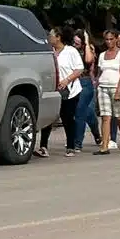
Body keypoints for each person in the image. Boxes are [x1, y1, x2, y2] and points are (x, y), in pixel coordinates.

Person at [45, 29, 86, 157]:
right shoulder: (48, 52)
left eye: (51, 35)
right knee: (48, 117)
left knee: (67, 117)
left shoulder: (71, 51)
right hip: (52, 89)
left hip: (69, 90)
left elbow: (79, 69)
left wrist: (67, 80)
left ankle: (70, 146)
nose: (48, 38)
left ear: (58, 37)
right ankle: (42, 146)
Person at [94, 29, 120, 154]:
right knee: (105, 116)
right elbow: (100, 72)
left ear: (116, 39)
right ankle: (105, 146)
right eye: (107, 39)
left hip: (116, 87)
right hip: (103, 87)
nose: (109, 41)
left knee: (119, 116)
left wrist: (118, 91)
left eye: (111, 39)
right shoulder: (102, 55)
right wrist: (97, 84)